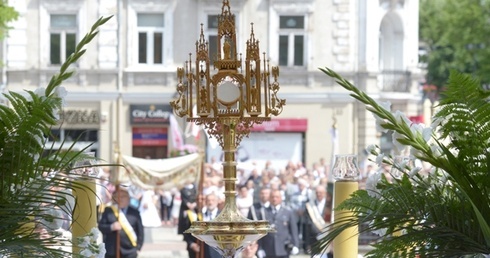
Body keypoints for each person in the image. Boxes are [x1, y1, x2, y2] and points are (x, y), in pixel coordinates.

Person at [99, 187, 144, 258]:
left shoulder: (134, 212)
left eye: (123, 196)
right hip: (112, 250)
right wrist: (111, 227)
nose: (120, 198)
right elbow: (101, 226)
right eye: (117, 196)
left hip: (129, 251)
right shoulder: (108, 211)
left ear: (128, 198)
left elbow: (140, 231)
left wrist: (138, 247)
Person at [258, 189, 300, 258]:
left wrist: (295, 245)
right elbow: (260, 232)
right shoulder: (263, 212)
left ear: (281, 198)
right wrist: (260, 248)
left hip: (284, 248)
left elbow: (293, 230)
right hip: (268, 249)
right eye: (272, 197)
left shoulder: (288, 212)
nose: (274, 199)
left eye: (277, 197)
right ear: (269, 198)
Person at [182, 192, 221, 258]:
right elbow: (188, 232)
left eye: (213, 200)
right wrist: (192, 244)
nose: (210, 202)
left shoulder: (223, 216)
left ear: (217, 201)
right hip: (202, 252)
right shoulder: (200, 216)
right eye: (208, 200)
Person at [303, 185, 333, 257]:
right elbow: (308, 223)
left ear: (325, 193)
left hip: (328, 239)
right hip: (314, 240)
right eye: (317, 192)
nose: (318, 194)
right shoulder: (309, 206)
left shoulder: (330, 205)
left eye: (321, 192)